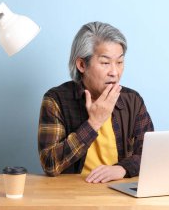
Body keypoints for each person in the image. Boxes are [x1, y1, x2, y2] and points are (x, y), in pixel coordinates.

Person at [38, 21, 154, 183]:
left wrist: (122, 169)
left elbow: (151, 156)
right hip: (72, 194)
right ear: (81, 64)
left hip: (120, 194)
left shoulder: (132, 100)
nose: (114, 72)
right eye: (105, 63)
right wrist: (93, 123)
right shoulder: (56, 100)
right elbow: (50, 164)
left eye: (119, 62)